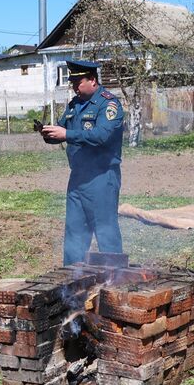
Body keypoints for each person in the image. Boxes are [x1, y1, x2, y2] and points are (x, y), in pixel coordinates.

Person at [40, 59, 125, 264]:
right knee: (74, 233)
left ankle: (115, 282)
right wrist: (49, 133)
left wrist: (66, 134)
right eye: (72, 82)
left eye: (78, 82)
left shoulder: (109, 104)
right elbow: (63, 131)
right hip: (78, 178)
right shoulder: (74, 105)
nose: (74, 86)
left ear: (93, 81)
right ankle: (70, 285)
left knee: (106, 233)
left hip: (102, 178)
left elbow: (101, 135)